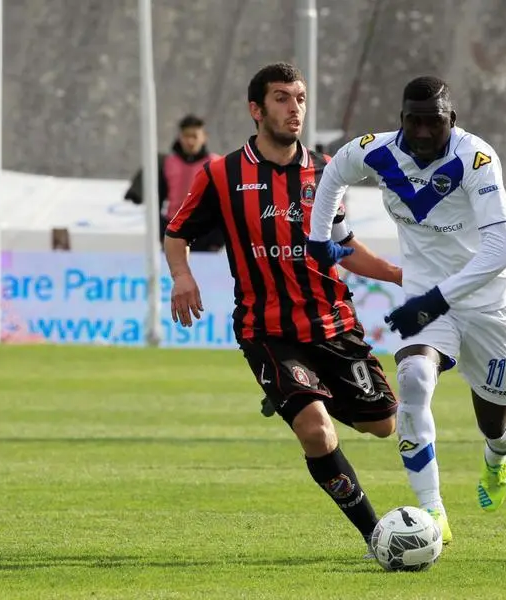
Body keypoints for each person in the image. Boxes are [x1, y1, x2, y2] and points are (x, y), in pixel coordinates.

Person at [163, 63, 403, 554]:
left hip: (332, 321)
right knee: (317, 431)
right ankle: (376, 536)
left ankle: (292, 393)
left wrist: (400, 275)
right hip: (267, 328)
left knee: (384, 423)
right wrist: (182, 275)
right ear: (256, 109)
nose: (294, 108)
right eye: (281, 98)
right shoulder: (221, 174)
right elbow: (177, 232)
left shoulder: (327, 170)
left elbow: (344, 245)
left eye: (299, 97)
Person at [307, 76, 506, 543]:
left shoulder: (476, 159)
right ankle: (433, 513)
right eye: (414, 122)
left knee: (496, 423)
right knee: (413, 379)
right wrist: (318, 237)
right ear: (400, 120)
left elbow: (501, 249)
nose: (423, 133)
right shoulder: (377, 150)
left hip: (485, 304)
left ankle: (498, 455)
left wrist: (435, 299)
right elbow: (333, 174)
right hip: (426, 302)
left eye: (434, 123)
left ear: (453, 121)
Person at [125, 114, 225, 252]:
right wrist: (161, 234)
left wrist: (217, 241)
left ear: (204, 137)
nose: (190, 141)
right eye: (186, 136)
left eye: (195, 136)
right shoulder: (167, 163)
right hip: (174, 233)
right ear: (179, 136)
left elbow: (227, 205)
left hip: (205, 235)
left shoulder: (216, 164)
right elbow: (156, 203)